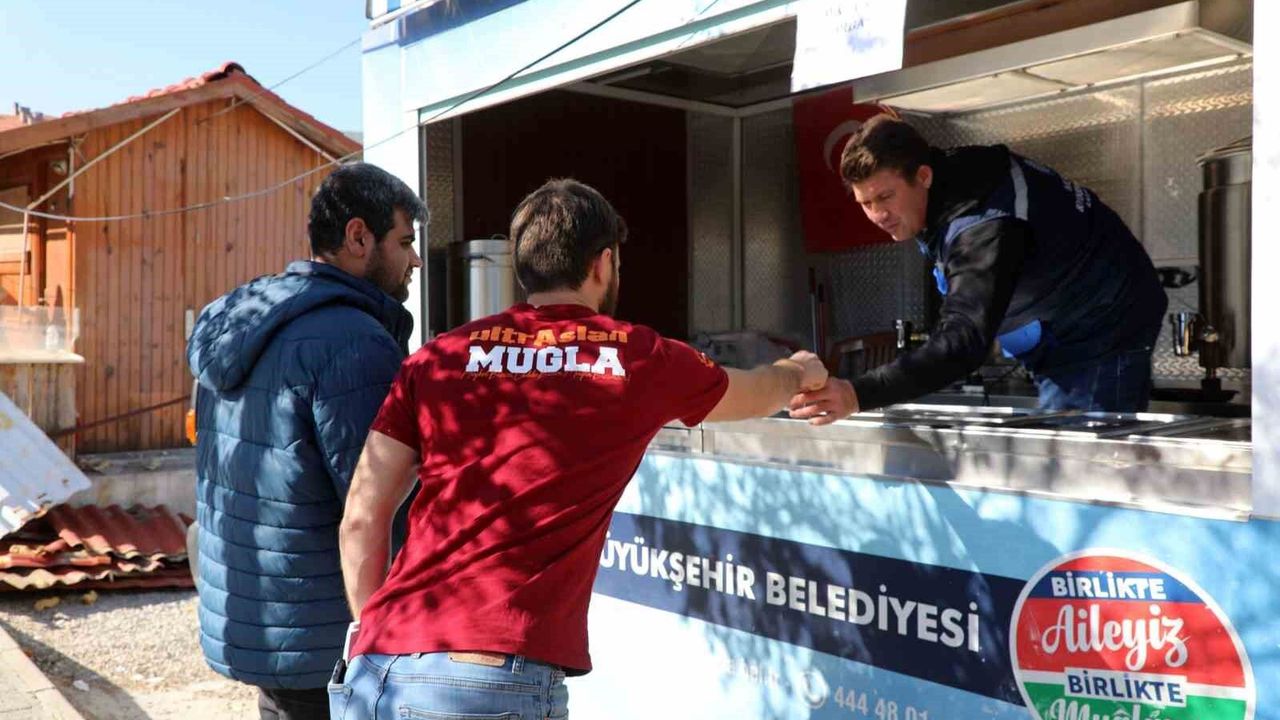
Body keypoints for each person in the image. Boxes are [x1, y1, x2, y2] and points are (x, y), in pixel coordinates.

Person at [332, 178, 828, 719]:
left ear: (524, 268)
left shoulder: (437, 358)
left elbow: (362, 516)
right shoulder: (639, 359)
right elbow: (752, 392)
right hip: (492, 679)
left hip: (378, 672)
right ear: (603, 264)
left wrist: (370, 633)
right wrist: (797, 371)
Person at [186, 162, 425, 719]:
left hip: (260, 622)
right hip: (327, 633)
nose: (415, 260)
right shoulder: (353, 342)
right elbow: (378, 506)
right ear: (359, 237)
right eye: (404, 241)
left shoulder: (245, 319)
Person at [791, 115, 1167, 424]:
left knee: (1089, 469)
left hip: (1101, 332)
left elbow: (965, 341)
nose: (878, 215)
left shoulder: (984, 224)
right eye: (865, 203)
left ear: (923, 176)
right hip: (1059, 336)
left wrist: (857, 394)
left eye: (885, 197)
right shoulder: (944, 189)